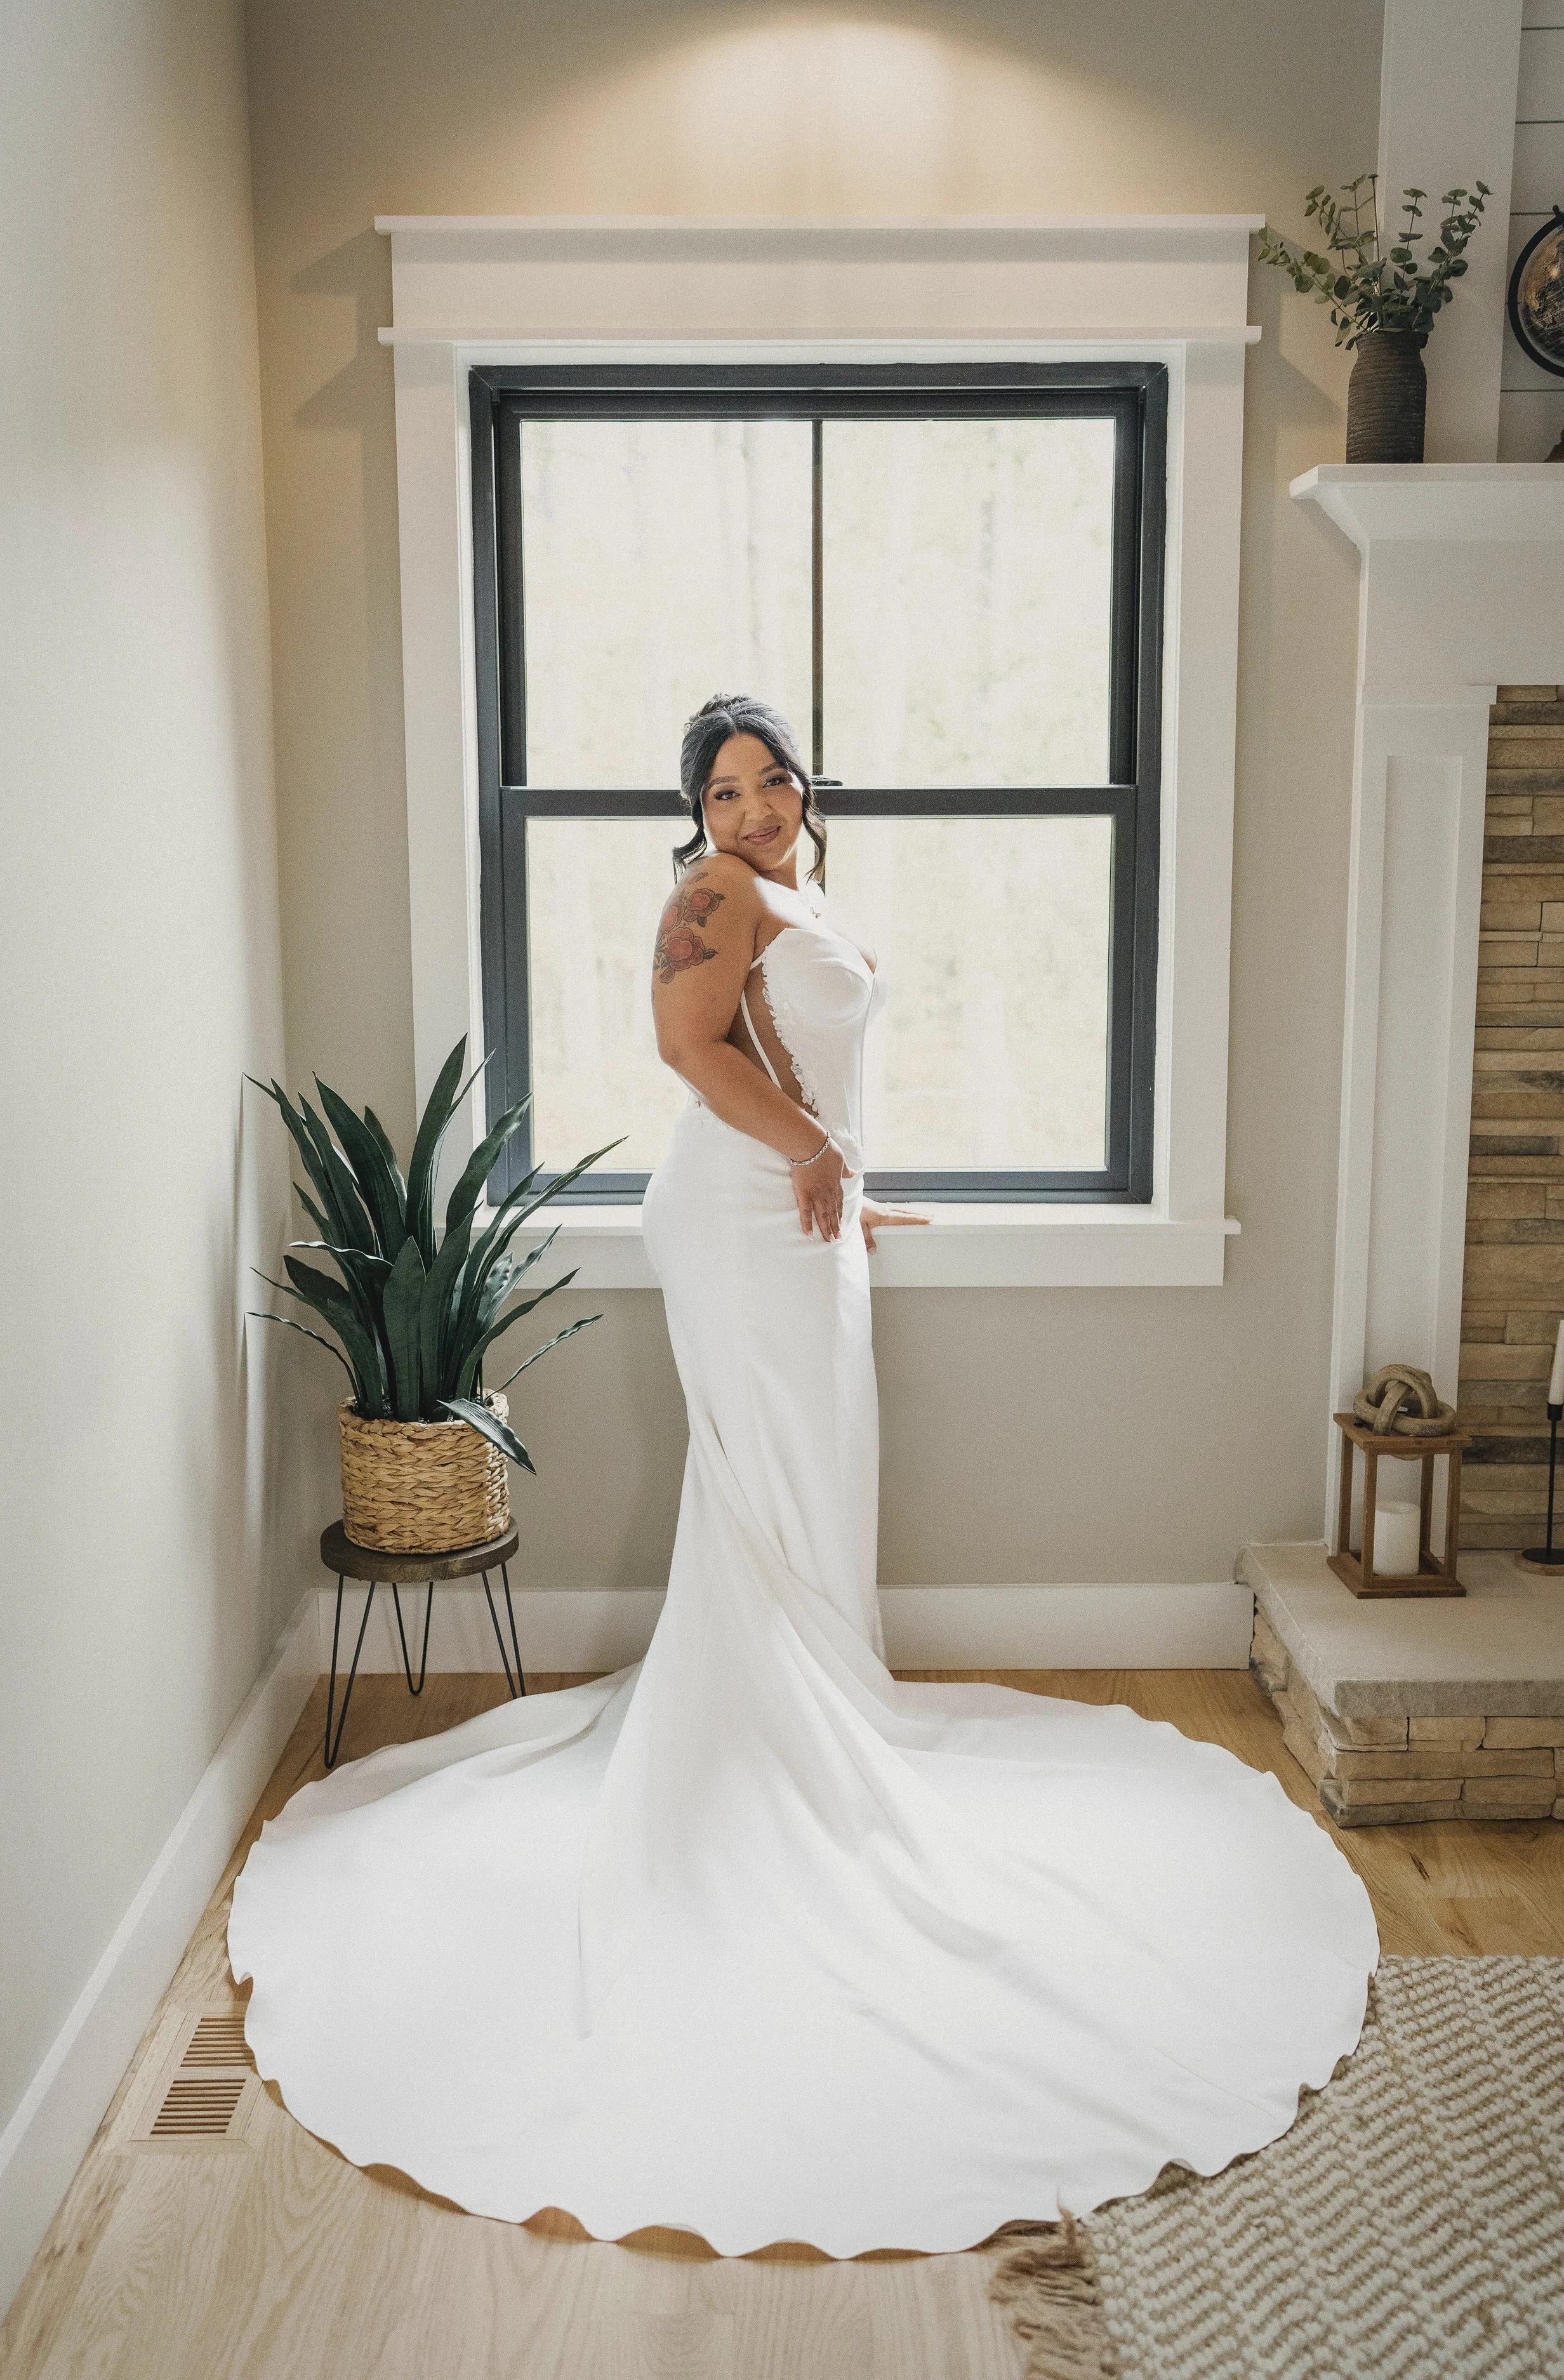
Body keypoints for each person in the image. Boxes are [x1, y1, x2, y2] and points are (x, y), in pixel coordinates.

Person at [230, 694, 1377, 2260]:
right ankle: (760, 1757)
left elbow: (802, 1063)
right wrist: (812, 1159)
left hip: (803, 1221)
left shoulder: (793, 894)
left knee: (810, 1478)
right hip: (738, 1215)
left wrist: (846, 1180)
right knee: (766, 1475)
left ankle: (812, 1716)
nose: (756, 806)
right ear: (692, 812)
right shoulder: (711, 893)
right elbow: (683, 1048)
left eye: (772, 779)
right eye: (725, 788)